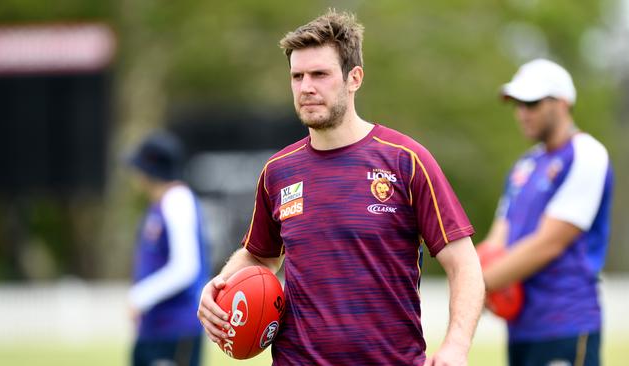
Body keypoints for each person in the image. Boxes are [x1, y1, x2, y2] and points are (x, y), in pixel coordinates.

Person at [197, 9, 484, 366]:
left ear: (354, 78)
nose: (306, 87)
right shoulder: (278, 171)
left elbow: (464, 263)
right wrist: (220, 283)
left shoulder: (406, 160)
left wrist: (457, 345)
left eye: (320, 74)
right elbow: (260, 256)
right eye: (297, 76)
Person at [479, 59, 613, 366]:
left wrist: (475, 286)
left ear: (563, 103)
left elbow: (549, 243)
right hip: (521, 327)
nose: (522, 113)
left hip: (565, 322)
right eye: (518, 104)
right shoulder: (524, 165)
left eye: (532, 103)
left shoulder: (586, 154)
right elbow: (499, 239)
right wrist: (472, 270)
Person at [127, 131, 210, 366]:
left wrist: (140, 296)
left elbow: (186, 267)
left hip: (174, 329)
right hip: (157, 329)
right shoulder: (163, 203)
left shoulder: (177, 201)